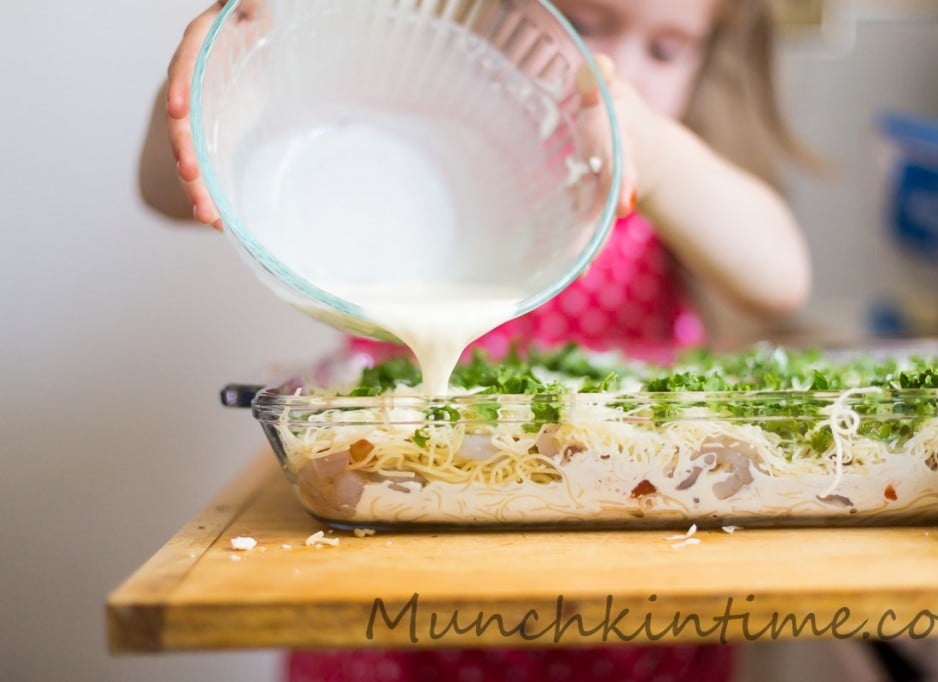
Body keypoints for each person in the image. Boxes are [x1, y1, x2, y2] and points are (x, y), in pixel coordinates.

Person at [140, 0, 813, 678]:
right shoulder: (411, 148)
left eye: (666, 51)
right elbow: (164, 191)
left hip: (616, 611)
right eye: (584, 27)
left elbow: (781, 276)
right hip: (396, 605)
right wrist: (223, 80)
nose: (616, 73)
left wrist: (656, 151)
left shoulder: (660, 194)